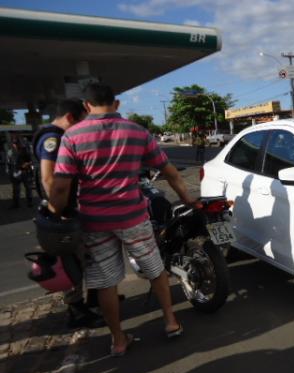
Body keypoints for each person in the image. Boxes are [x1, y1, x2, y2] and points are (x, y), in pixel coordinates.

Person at [49, 83, 195, 356]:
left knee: (106, 281)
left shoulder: (72, 137)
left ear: (87, 106)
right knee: (155, 270)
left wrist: (55, 215)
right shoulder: (137, 132)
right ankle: (171, 322)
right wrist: (188, 201)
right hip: (133, 218)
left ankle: (118, 340)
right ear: (116, 104)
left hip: (94, 222)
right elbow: (171, 173)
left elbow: (59, 188)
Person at [32, 99, 104, 329]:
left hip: (64, 209)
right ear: (71, 118)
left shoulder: (55, 136)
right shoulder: (53, 139)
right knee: (70, 260)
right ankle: (77, 310)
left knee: (84, 255)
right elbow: (49, 178)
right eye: (82, 122)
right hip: (60, 212)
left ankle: (92, 299)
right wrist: (59, 213)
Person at [8, 134, 34, 208]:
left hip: (25, 171)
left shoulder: (24, 149)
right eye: (13, 143)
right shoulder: (10, 151)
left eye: (16, 143)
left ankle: (30, 202)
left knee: (28, 188)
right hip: (15, 172)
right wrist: (9, 172)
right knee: (15, 189)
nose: (14, 145)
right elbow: (9, 162)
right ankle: (16, 204)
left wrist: (26, 164)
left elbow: (31, 160)